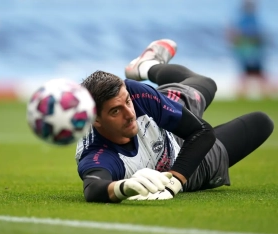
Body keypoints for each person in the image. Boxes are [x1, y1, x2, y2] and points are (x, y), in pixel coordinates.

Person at [75, 39, 274, 203]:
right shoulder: (96, 151)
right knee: (261, 122)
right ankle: (147, 65)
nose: (129, 114)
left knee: (207, 84)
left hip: (164, 126)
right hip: (192, 166)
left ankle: (145, 67)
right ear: (96, 120)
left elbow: (202, 131)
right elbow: (94, 188)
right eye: (115, 111)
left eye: (127, 102)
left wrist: (176, 181)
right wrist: (123, 187)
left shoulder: (136, 95)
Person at [227, 0, 274, 98]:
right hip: (245, 54)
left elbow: (261, 37)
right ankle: (241, 97)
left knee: (258, 75)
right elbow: (234, 37)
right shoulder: (242, 20)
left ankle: (266, 96)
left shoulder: (254, 19)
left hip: (255, 54)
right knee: (247, 76)